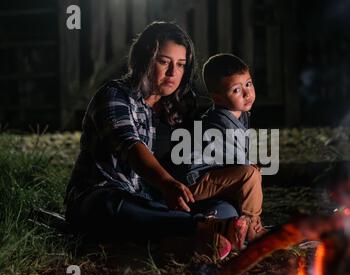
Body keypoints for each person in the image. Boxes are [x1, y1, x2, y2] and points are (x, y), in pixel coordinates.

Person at [64, 22, 246, 260]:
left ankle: (182, 239)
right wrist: (167, 183)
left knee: (225, 209)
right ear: (144, 59)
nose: (173, 73)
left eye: (181, 65)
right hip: (103, 198)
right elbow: (132, 147)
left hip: (154, 202)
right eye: (164, 61)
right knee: (113, 205)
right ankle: (197, 230)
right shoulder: (114, 96)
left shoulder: (179, 105)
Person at [170, 54, 267, 248]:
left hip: (211, 178)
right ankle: (251, 225)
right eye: (237, 90)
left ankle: (225, 226)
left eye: (248, 84)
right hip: (194, 184)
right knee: (250, 175)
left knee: (246, 181)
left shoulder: (240, 114)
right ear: (218, 98)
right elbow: (241, 168)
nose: (247, 94)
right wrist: (250, 172)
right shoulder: (221, 122)